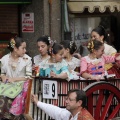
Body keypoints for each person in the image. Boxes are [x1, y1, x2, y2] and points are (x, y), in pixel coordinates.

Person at [0, 37, 32, 119]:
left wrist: (14, 79)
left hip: (21, 85)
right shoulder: (4, 59)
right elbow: (2, 73)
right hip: (6, 84)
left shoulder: (27, 59)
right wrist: (3, 76)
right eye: (23, 48)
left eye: (25, 48)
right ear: (15, 48)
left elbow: (29, 77)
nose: (25, 51)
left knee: (6, 99)